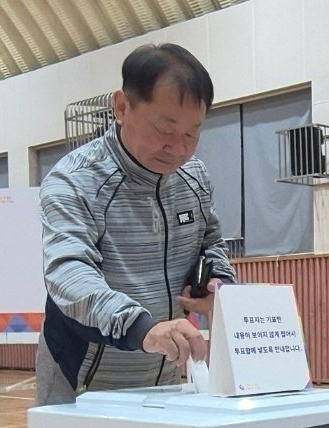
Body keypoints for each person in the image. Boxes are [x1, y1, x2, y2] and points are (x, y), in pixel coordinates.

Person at [35, 43, 236, 406]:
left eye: (192, 133)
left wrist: (216, 282)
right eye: (165, 128)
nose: (178, 148)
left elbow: (211, 242)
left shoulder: (194, 176)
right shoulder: (74, 181)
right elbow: (69, 273)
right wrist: (142, 328)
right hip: (81, 378)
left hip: (164, 372)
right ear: (122, 107)